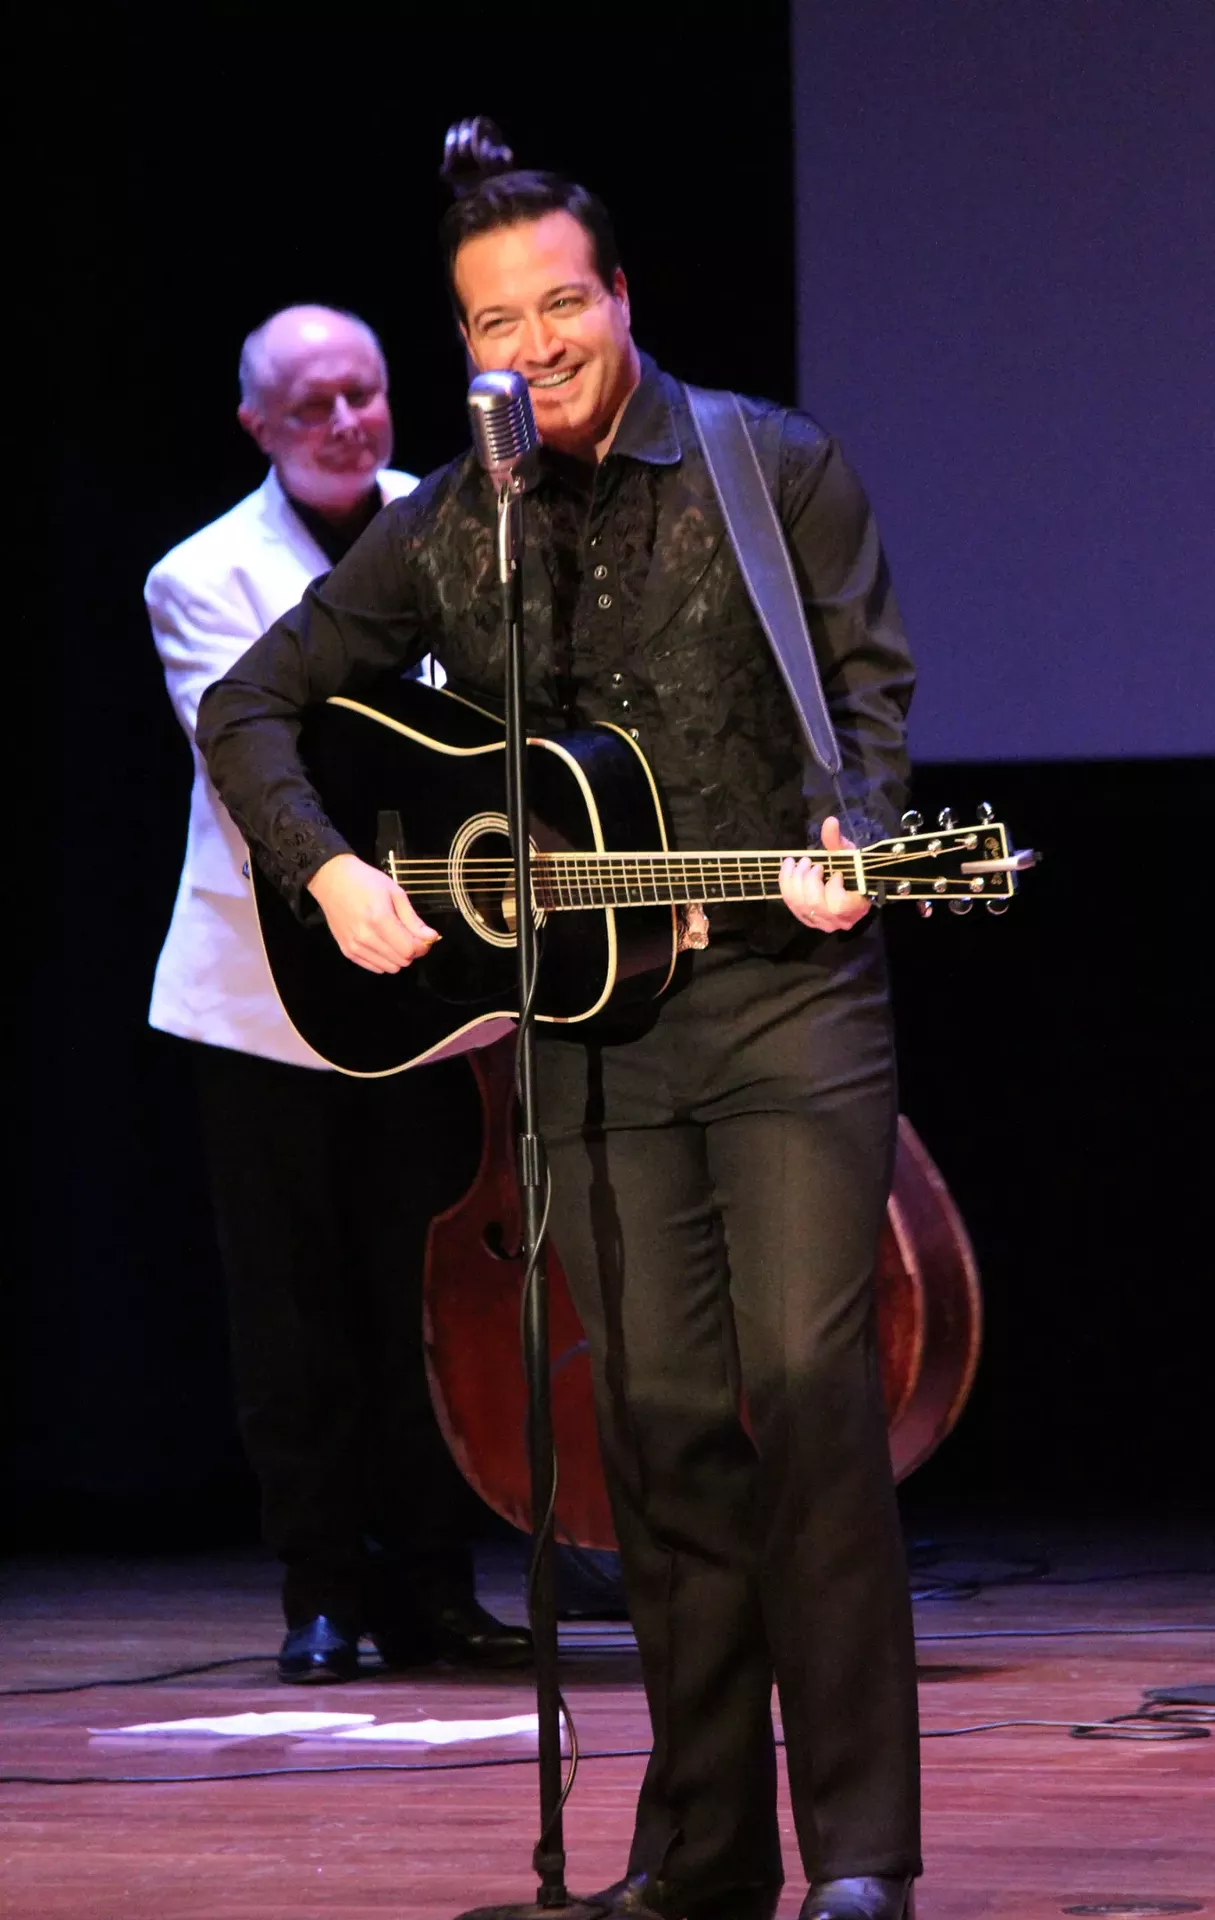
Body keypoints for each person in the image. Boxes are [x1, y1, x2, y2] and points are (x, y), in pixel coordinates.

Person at [196, 152, 920, 1920]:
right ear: (467, 344)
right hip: (593, 1029)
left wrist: (858, 830)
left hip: (783, 994)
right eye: (494, 321)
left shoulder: (771, 464)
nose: (536, 344)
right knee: (655, 1428)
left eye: (562, 303)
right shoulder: (457, 521)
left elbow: (869, 695)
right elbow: (249, 703)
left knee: (808, 1392)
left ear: (621, 298)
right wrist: (332, 872)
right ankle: (700, 1861)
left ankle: (861, 1863)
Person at [147, 304, 532, 1684]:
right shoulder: (201, 574)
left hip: (429, 984)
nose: (346, 422)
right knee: (293, 1310)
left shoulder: (455, 522)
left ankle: (437, 1585)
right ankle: (321, 1590)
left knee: (421, 1297)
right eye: (311, 405)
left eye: (362, 394)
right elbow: (258, 767)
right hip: (264, 993)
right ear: (257, 425)